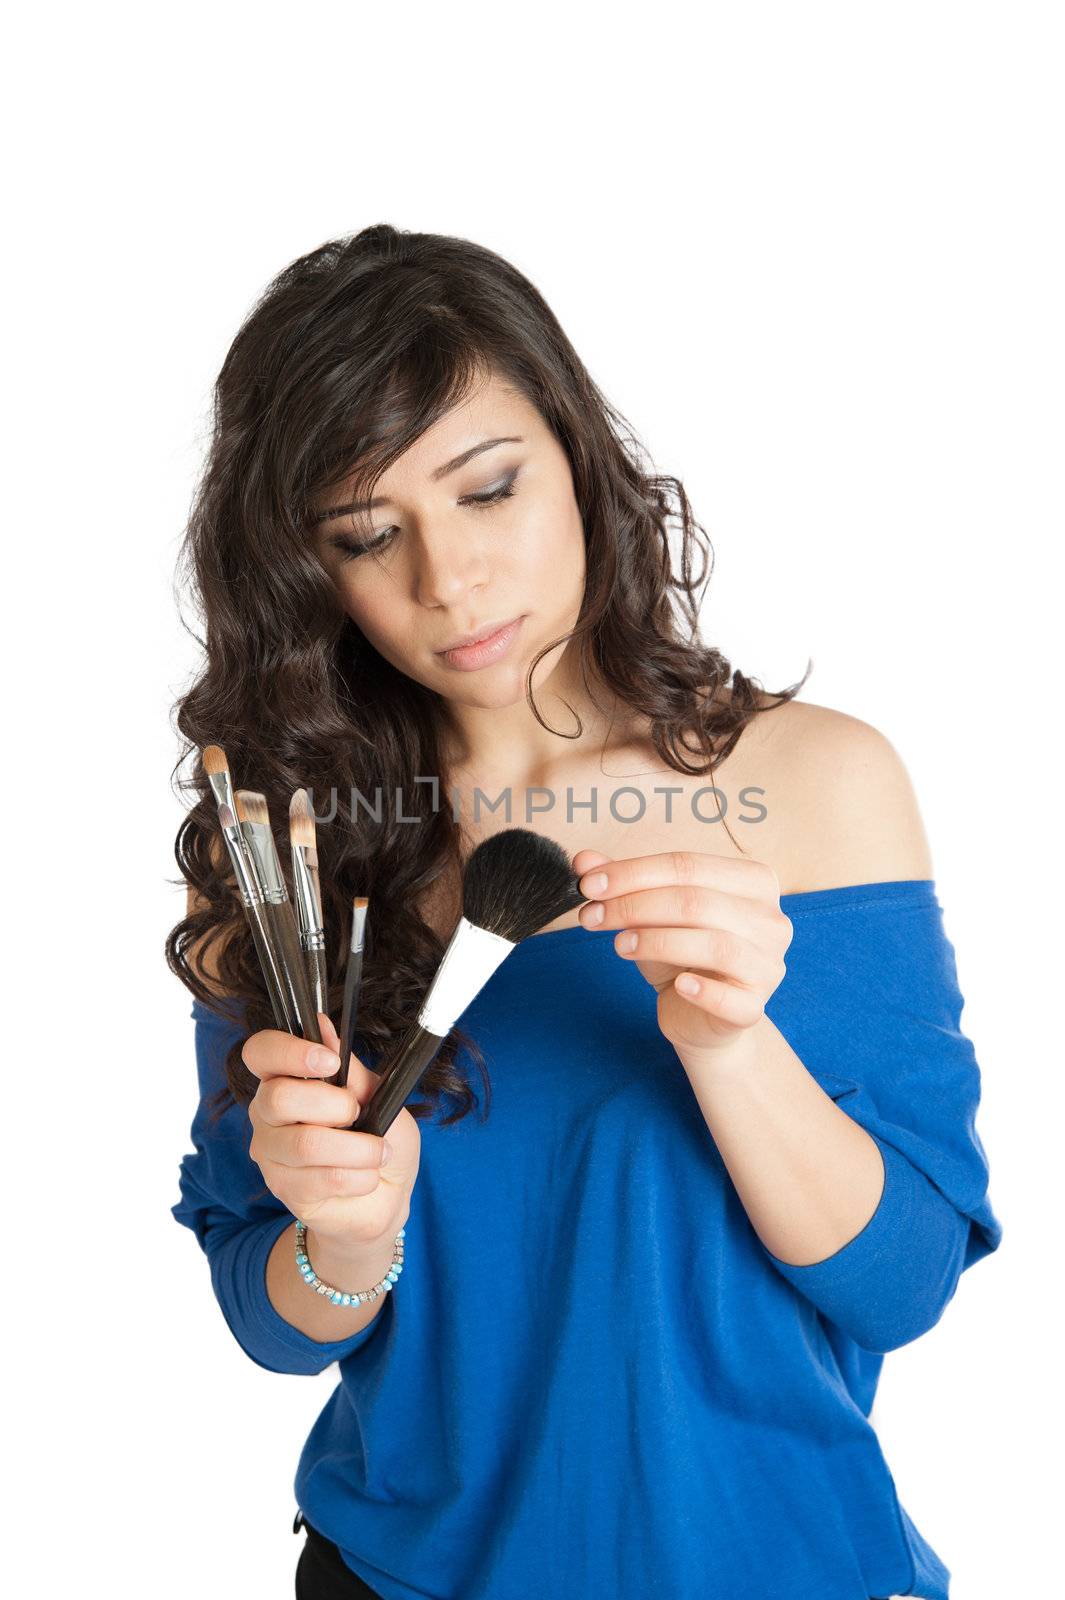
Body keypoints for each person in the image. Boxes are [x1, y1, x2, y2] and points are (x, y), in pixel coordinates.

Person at [168, 224, 1002, 1600]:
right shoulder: (288, 850)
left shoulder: (814, 786)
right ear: (308, 576)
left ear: (575, 457)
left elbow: (900, 1290)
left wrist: (732, 1048)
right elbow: (278, 1323)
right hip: (394, 1572)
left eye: (486, 489)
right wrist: (344, 1241)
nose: (450, 582)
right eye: (369, 537)